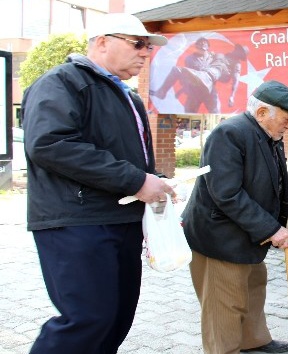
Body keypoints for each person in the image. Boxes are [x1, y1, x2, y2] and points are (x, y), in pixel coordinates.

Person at [21, 13, 174, 354]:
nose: (145, 53)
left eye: (148, 46)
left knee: (116, 317)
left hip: (120, 219)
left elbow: (129, 159)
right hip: (76, 220)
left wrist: (155, 181)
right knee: (88, 319)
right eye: (137, 44)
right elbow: (50, 144)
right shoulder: (61, 82)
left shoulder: (128, 97)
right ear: (102, 41)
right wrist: (136, 181)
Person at [181, 80, 288, 354]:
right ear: (261, 113)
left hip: (246, 235)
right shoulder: (230, 134)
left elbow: (274, 178)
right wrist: (272, 229)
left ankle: (252, 341)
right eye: (287, 119)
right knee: (225, 303)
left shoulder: (268, 135)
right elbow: (227, 193)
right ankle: (225, 349)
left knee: (252, 288)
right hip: (219, 238)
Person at [153, 37, 248, 112]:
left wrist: (232, 96)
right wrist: (183, 89)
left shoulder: (236, 64)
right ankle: (162, 92)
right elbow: (191, 73)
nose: (238, 53)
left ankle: (207, 77)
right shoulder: (216, 55)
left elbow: (236, 79)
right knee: (189, 113)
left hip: (210, 86)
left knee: (216, 113)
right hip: (196, 86)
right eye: (239, 51)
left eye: (241, 54)